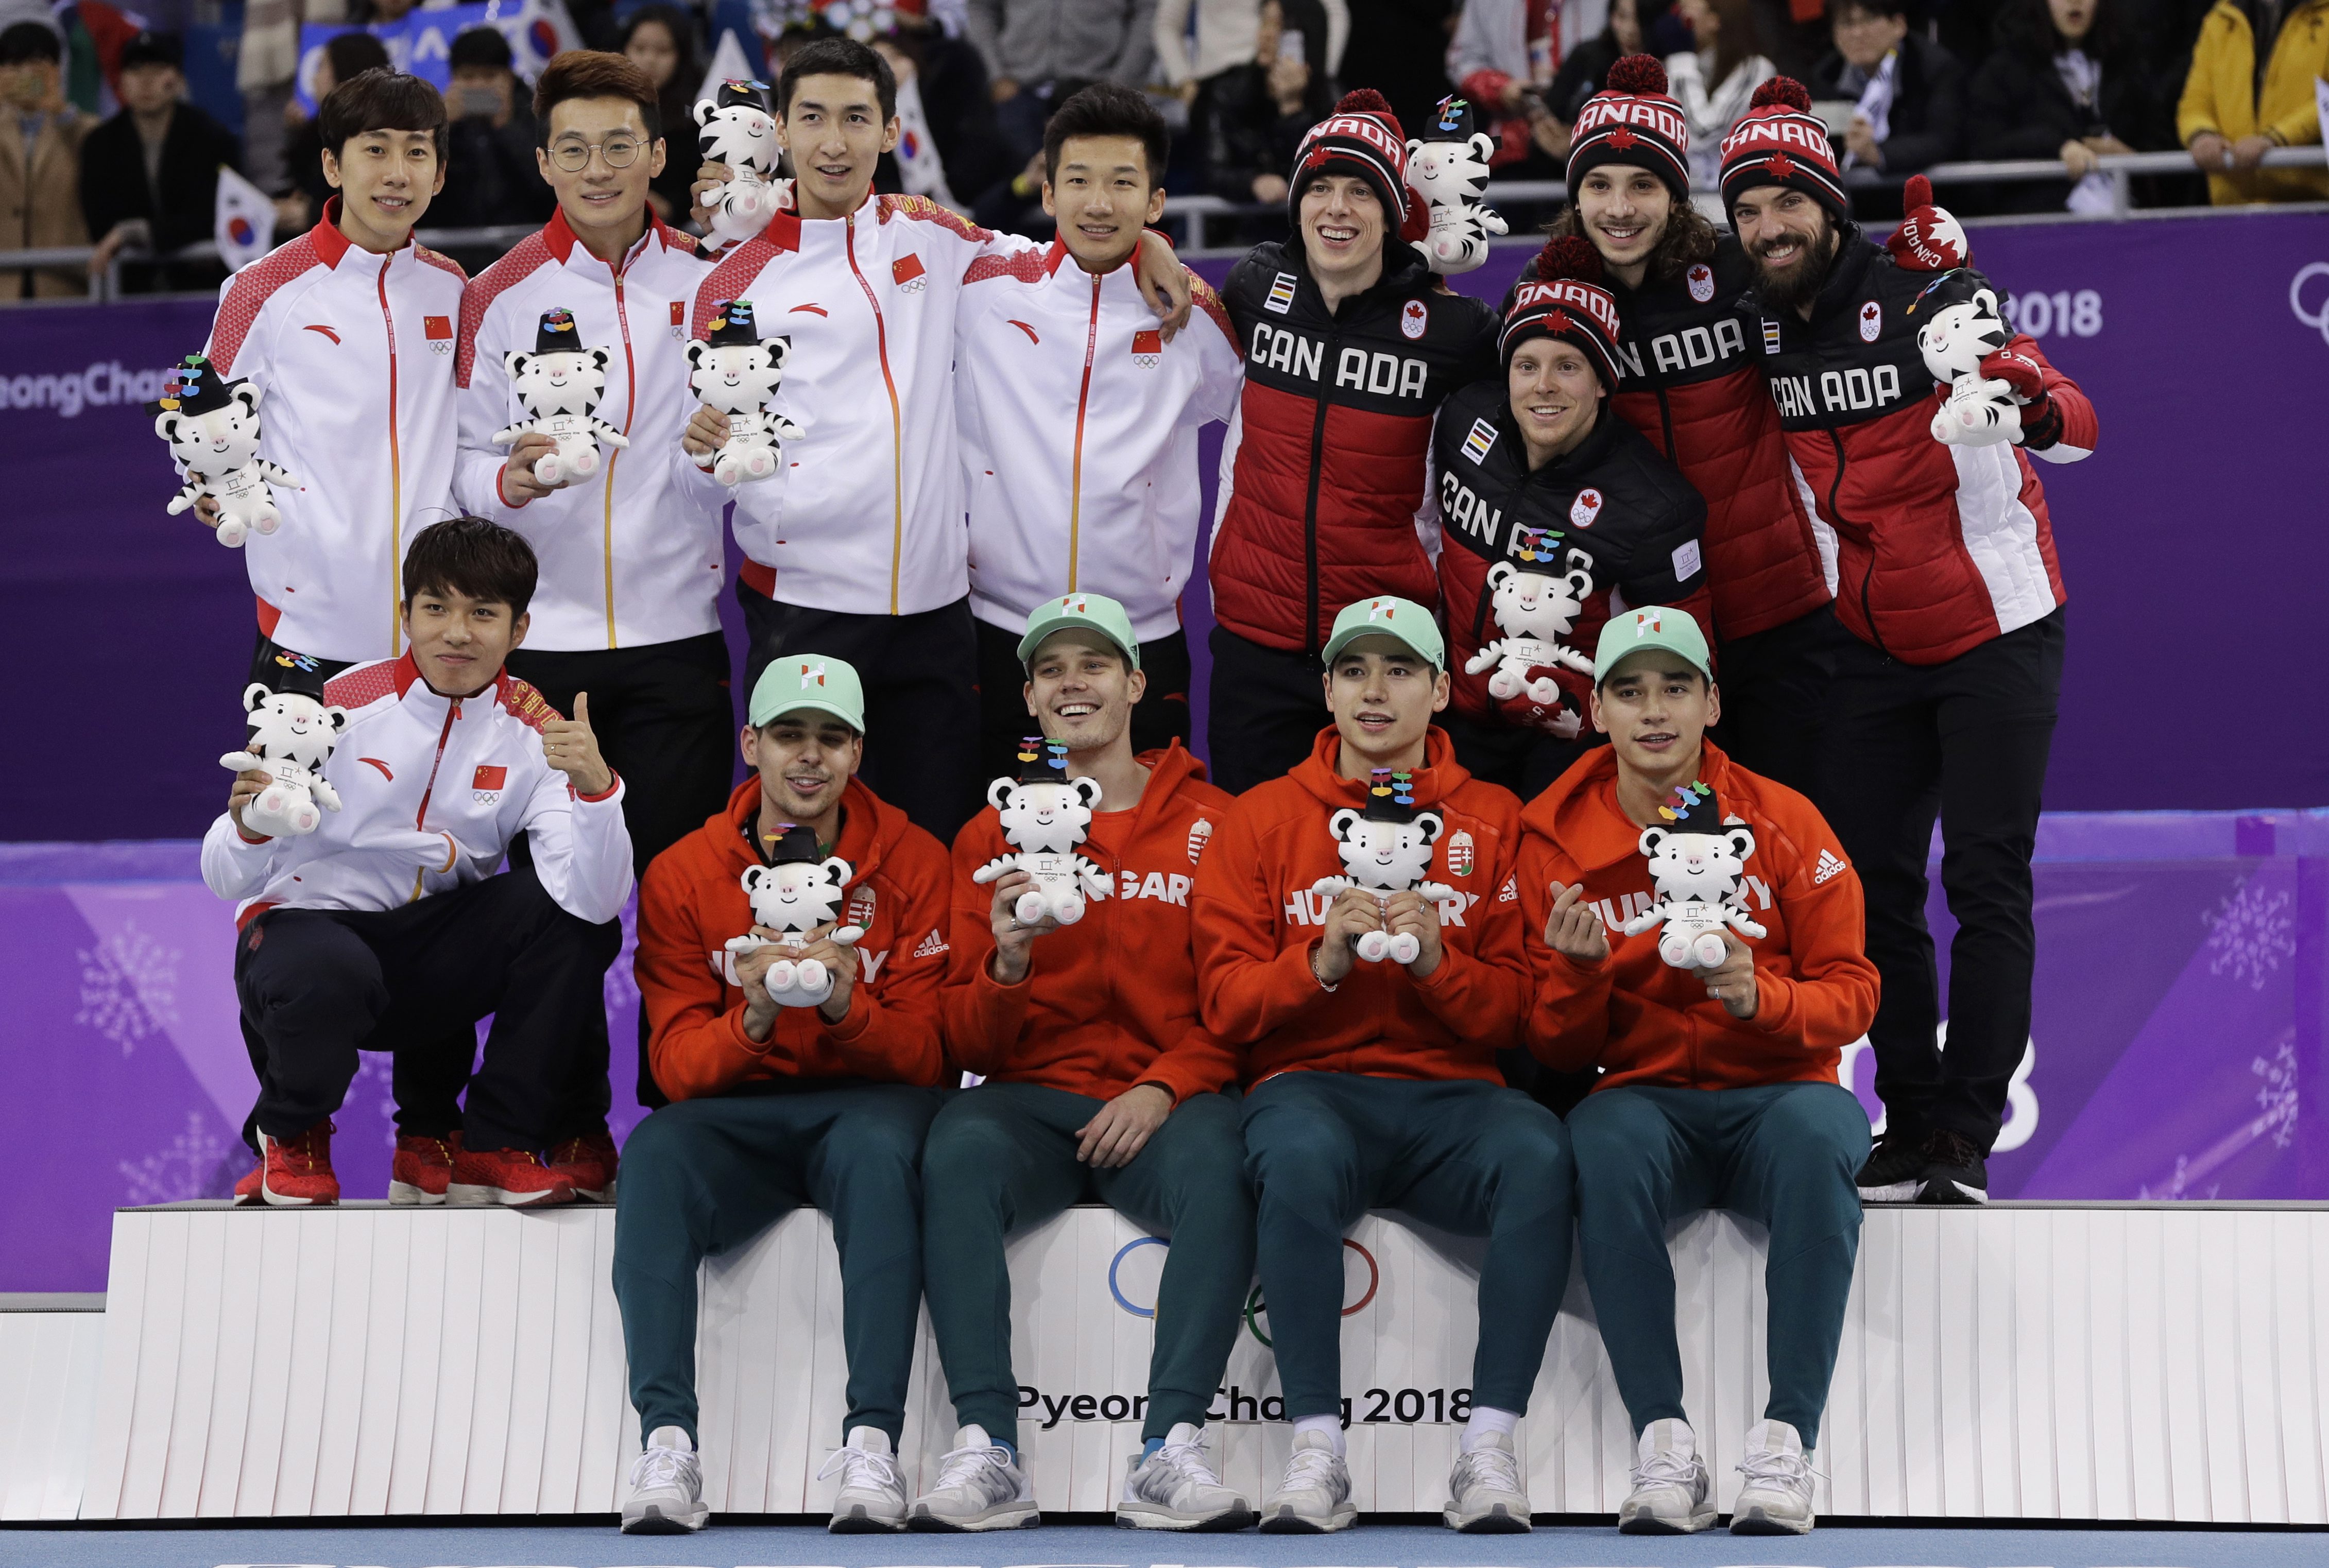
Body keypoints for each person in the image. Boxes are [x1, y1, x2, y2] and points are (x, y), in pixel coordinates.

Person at [1721, 78, 2097, 1204]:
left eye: (1788, 204)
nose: (1768, 228)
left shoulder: (1927, 294)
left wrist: (2027, 403)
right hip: (1868, 644)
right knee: (1869, 888)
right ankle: (1911, 1116)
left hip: (1995, 627)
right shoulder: (1759, 323)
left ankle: (1964, 1138)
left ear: (1831, 206)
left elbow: (2077, 423)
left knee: (1984, 877)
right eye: (1747, 211)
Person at [682, 36, 1189, 843]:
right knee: (802, 844)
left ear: (890, 130)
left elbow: (1056, 254)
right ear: (780, 129)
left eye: (857, 118)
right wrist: (704, 453)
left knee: (938, 841)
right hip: (806, 610)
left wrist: (1149, 246)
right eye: (812, 117)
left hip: (936, 612)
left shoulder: (929, 233)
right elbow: (695, 467)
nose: (834, 141)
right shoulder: (729, 280)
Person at [1192, 595, 1572, 1534]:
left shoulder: (1496, 819)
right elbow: (1225, 1004)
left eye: (1400, 670)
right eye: (1354, 670)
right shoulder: (1260, 817)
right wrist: (1317, 964)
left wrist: (1441, 966)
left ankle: (1488, 1449)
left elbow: (1520, 1012)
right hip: (1308, 1089)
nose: (1374, 691)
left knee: (1538, 1151)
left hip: (1456, 1095)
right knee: (1295, 1155)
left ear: (1441, 691)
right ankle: (1316, 1450)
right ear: (1325, 690)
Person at [1520, 606, 1877, 1537]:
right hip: (1645, 1097)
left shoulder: (1785, 819)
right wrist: (1577, 976)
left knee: (1818, 1142)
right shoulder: (1550, 838)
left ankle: (1786, 1444)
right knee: (1600, 1143)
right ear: (1595, 710)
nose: (1654, 711)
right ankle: (1663, 1444)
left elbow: (1854, 993)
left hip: (1784, 1092)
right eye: (1630, 691)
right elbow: (1554, 1049)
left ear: (1711, 704)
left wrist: (1765, 999)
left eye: (1675, 688)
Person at [913, 593, 1254, 1532]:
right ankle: (987, 1448)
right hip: (1030, 1100)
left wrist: (1164, 1085)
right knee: (956, 1148)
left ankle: (1169, 1450)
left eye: (1094, 664)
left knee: (1226, 1163)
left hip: (1167, 1099)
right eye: (1051, 670)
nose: (1073, 684)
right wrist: (1007, 965)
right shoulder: (988, 837)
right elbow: (967, 1043)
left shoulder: (1220, 822)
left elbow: (1239, 1003)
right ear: (1027, 698)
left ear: (1137, 684)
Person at [454, 48, 734, 1134]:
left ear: (659, 155)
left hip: (675, 642)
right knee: (558, 907)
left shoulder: (714, 279)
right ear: (543, 163)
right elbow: (456, 465)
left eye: (620, 144)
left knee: (678, 899)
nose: (598, 167)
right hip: (544, 654)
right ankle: (560, 1131)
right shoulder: (497, 295)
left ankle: (681, 1119)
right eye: (573, 148)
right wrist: (509, 483)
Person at [199, 518, 632, 1208]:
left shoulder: (536, 733)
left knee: (571, 920)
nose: (456, 633)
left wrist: (598, 792)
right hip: (307, 942)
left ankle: (494, 1144)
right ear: (406, 617)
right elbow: (225, 878)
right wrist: (247, 826)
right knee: (328, 968)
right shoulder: (333, 710)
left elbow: (598, 901)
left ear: (519, 629)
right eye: (436, 608)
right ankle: (292, 1131)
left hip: (431, 963)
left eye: (482, 613)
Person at [614, 655, 952, 1535]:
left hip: (870, 1101)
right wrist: (756, 1015)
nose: (810, 756)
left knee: (879, 1152)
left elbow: (930, 1057)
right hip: (738, 1106)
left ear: (858, 752)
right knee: (654, 1153)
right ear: (750, 743)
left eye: (832, 738)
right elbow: (675, 1069)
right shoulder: (684, 872)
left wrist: (845, 1007)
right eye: (789, 735)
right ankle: (666, 1444)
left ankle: (872, 1445)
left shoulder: (916, 861)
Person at [1511, 56, 1841, 800]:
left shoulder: (1736, 272)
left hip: (1778, 610)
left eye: (1642, 185)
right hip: (1643, 632)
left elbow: (1847, 285)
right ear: (1575, 194)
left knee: (1793, 832)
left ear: (1676, 193)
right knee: (1669, 852)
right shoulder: (1547, 297)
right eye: (1598, 185)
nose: (1619, 208)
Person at [1206, 90, 1500, 794]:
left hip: (1384, 650)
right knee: (1258, 850)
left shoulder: (1454, 332)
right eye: (1319, 188)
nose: (1336, 208)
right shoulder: (1254, 287)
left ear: (1394, 214)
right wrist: (1154, 245)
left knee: (1388, 854)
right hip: (1257, 644)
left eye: (1361, 192)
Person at [956, 83, 1243, 782]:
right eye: (1079, 181)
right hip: (1003, 630)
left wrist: (1154, 253)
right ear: (1047, 192)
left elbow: (1253, 423)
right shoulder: (984, 284)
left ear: (1155, 201)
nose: (1098, 203)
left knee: (1147, 839)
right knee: (1000, 840)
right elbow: (870, 227)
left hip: (1141, 637)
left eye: (1122, 183)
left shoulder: (1191, 316)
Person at [201, 66, 467, 676]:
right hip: (305, 629)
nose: (397, 173)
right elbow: (201, 416)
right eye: (375, 149)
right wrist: (211, 480)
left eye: (417, 152)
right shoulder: (261, 289)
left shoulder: (453, 287)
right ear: (331, 165)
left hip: (434, 631)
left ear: (439, 174)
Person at [1435, 232, 1710, 800]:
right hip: (1454, 727)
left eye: (1568, 366)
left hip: (1576, 750)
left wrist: (1586, 716)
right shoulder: (1461, 422)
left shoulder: (1655, 505)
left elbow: (1684, 666)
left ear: (1603, 382)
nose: (1544, 386)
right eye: (1527, 365)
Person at [1968, 0, 2180, 215]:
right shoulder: (2006, 70)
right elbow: (1985, 146)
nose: (2075, 2)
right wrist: (2057, 147)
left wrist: (2130, 158)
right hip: (2043, 219)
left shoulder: (2128, 64)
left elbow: (2161, 142)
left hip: (2128, 216)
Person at [78, 30, 241, 294]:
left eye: (158, 69)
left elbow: (217, 215)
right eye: (136, 70)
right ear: (121, 81)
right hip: (128, 290)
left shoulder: (212, 138)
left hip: (202, 289)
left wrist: (136, 233)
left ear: (178, 79)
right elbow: (100, 222)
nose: (146, 81)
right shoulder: (99, 145)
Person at [1808, 0, 1964, 207]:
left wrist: (1878, 153)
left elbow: (1944, 140)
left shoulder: (1933, 69)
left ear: (1899, 25)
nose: (1857, 33)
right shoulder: (1826, 76)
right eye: (1847, 24)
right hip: (1857, 206)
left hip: (1931, 201)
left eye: (1869, 20)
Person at [2178, 0, 2329, 204]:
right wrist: (2202, 135)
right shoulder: (2221, 18)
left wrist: (2276, 139)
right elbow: (2195, 101)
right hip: (2232, 207)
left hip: (2312, 205)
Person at [1195, 0, 1332, 214]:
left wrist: (1292, 109)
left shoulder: (1334, 101)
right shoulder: (1228, 91)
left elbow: (1323, 176)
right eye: (1264, 23)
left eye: (1279, 26)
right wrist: (1252, 182)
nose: (1266, 35)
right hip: (1241, 222)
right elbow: (1212, 171)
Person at [431, 26, 557, 250]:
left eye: (489, 76)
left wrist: (506, 127)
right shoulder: (434, 124)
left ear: (509, 76)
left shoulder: (540, 115)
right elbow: (426, 193)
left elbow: (549, 188)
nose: (479, 85)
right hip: (457, 249)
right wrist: (441, 130)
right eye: (468, 77)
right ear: (453, 79)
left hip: (529, 247)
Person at [0, 20, 88, 302]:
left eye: (36, 63)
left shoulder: (84, 129)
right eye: (14, 64)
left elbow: (105, 165)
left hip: (66, 284)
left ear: (57, 69)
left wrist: (61, 111)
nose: (25, 74)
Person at [277, 31, 392, 233]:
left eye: (321, 67)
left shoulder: (381, 138)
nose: (314, 78)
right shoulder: (316, 133)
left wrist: (312, 214)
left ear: (345, 72)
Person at [1668, 0, 1775, 196]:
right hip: (1684, 195)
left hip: (1731, 195)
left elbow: (1705, 134)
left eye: (1686, 10)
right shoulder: (1677, 67)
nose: (1677, 20)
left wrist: (1681, 60)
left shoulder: (1755, 69)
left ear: (1714, 20)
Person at [619, 3, 701, 223]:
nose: (650, 60)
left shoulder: (696, 118)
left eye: (663, 51)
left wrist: (670, 207)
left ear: (681, 56)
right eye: (640, 49)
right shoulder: (604, 108)